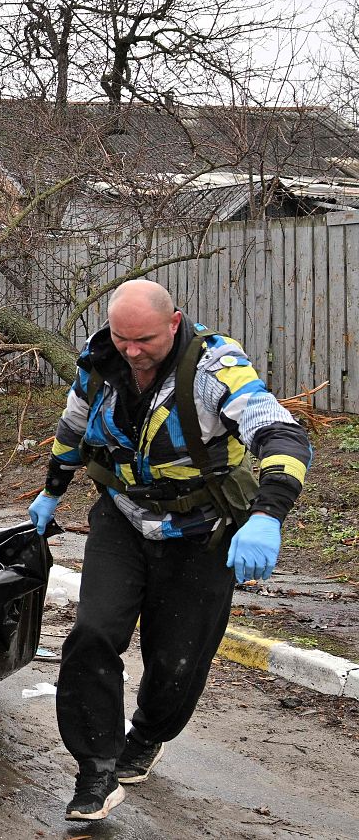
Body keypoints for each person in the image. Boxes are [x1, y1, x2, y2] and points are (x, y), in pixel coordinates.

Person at [26, 279, 311, 822]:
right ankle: (95, 771)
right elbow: (74, 427)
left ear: (174, 322)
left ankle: (147, 736)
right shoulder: (99, 360)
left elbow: (281, 434)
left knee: (176, 660)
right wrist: (51, 490)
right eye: (122, 338)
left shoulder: (215, 369)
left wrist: (267, 515)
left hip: (200, 530)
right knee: (92, 634)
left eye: (145, 340)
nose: (132, 352)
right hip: (123, 516)